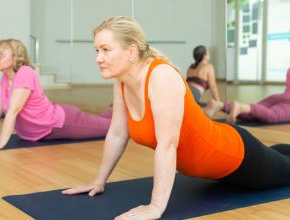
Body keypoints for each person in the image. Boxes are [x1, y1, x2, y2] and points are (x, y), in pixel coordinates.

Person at [62, 16, 290, 220]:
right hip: (219, 166)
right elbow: (118, 133)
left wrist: (155, 207)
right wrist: (98, 181)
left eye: (105, 50)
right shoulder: (122, 80)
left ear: (131, 51)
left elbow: (168, 144)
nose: (98, 58)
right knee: (280, 153)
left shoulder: (161, 76)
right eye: (97, 51)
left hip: (236, 157)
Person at [0, 39, 112, 151]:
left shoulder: (25, 73)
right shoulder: (6, 77)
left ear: (15, 58)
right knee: (104, 121)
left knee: (111, 129)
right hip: (40, 132)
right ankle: (116, 108)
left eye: (2, 54)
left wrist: (1, 142)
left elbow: (13, 110)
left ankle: (126, 108)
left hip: (60, 123)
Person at [205, 67, 290, 124]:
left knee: (253, 113)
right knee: (272, 115)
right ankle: (238, 107)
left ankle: (220, 105)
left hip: (279, 97)